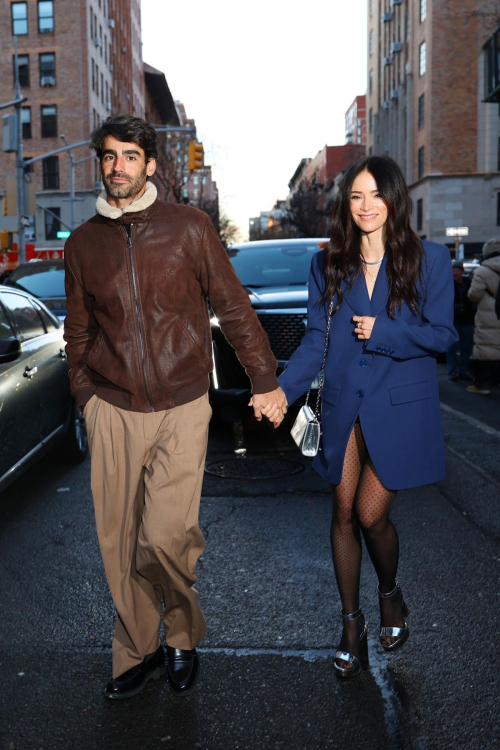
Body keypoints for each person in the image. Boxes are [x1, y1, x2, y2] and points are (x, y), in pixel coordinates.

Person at [63, 114, 286, 699]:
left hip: (183, 402)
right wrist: (84, 396)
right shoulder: (83, 243)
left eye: (130, 156)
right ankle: (135, 649)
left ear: (151, 164)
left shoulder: (190, 227)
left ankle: (181, 632)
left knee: (165, 535)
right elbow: (79, 329)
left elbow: (233, 306)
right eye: (109, 156)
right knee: (118, 539)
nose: (118, 167)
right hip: (111, 404)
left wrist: (265, 379)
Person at [263, 156, 456, 678]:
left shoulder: (429, 260)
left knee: (373, 515)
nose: (366, 206)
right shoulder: (329, 263)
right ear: (346, 205)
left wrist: (386, 332)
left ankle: (390, 594)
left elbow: (443, 336)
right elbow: (315, 340)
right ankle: (352, 624)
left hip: (400, 409)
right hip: (344, 405)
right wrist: (281, 390)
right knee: (343, 508)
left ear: (394, 199)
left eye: (375, 195)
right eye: (355, 197)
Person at [466, 238, 500, 395]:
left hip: (490, 314)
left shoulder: (482, 271)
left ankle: (482, 384)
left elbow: (474, 295)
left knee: (486, 347)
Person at [446, 260, 474, 382]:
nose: (454, 273)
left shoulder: (470, 283)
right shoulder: (448, 285)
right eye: (452, 271)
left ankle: (463, 371)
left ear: (462, 272)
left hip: (467, 320)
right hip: (453, 320)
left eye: (456, 271)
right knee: (451, 348)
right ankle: (452, 371)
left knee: (466, 348)